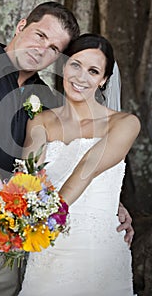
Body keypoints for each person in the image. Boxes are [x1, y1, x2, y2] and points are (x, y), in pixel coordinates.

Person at [0, 2, 133, 296]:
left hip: (16, 255)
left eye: (55, 49)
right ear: (21, 27)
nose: (43, 49)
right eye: (40, 35)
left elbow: (54, 166)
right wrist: (4, 223)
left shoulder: (46, 103)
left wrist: (109, 207)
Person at [19, 33, 140, 296]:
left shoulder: (124, 123)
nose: (81, 77)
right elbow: (28, 178)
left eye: (93, 71)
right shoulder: (40, 122)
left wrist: (48, 217)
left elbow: (88, 167)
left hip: (98, 252)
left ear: (104, 80)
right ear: (64, 65)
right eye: (75, 65)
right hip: (48, 251)